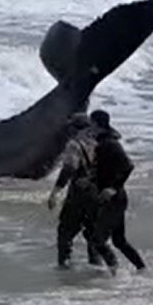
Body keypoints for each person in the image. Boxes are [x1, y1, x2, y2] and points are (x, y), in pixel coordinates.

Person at [46, 112, 116, 272]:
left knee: (65, 233)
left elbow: (70, 168)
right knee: (94, 235)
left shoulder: (75, 144)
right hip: (100, 194)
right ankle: (102, 269)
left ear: (73, 128)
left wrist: (55, 192)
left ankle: (64, 268)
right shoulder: (103, 143)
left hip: (80, 195)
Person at [87, 109, 147, 271]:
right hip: (115, 199)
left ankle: (115, 272)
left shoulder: (109, 144)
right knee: (119, 241)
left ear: (97, 124)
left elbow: (128, 166)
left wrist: (112, 188)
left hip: (114, 199)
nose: (89, 127)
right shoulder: (103, 142)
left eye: (91, 123)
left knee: (97, 241)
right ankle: (142, 269)